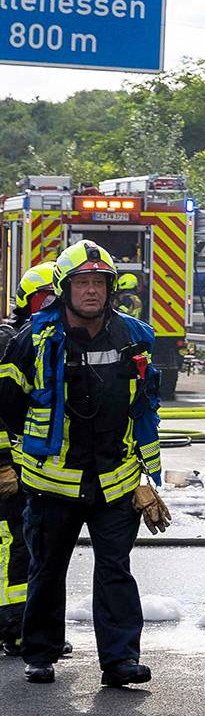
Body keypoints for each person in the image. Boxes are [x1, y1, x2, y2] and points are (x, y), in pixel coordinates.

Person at [0, 242, 170, 685]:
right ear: (65, 289)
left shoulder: (134, 336)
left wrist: (146, 477)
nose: (92, 290)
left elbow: (144, 409)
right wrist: (12, 462)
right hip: (52, 484)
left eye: (99, 282)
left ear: (111, 288)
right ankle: (40, 653)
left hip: (116, 481)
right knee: (47, 570)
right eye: (82, 283)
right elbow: (7, 405)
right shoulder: (33, 340)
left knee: (116, 571)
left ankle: (120, 661)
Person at [0, 262, 56, 657]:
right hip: (10, 468)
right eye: (43, 298)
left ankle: (28, 627)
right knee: (15, 545)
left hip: (37, 469)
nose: (50, 304)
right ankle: (14, 629)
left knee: (34, 547)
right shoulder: (10, 341)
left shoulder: (52, 340)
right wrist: (3, 463)